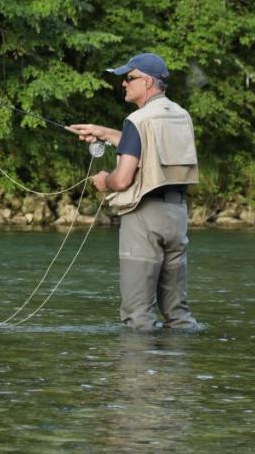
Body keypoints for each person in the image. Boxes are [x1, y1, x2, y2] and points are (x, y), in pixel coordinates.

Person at [68, 52, 200, 331]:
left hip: (144, 218)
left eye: (129, 78)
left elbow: (124, 178)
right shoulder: (180, 115)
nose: (124, 84)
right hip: (177, 216)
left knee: (137, 316)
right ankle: (179, 372)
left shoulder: (137, 120)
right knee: (178, 315)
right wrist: (106, 132)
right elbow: (150, 147)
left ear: (148, 82)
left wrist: (106, 180)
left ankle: (138, 374)